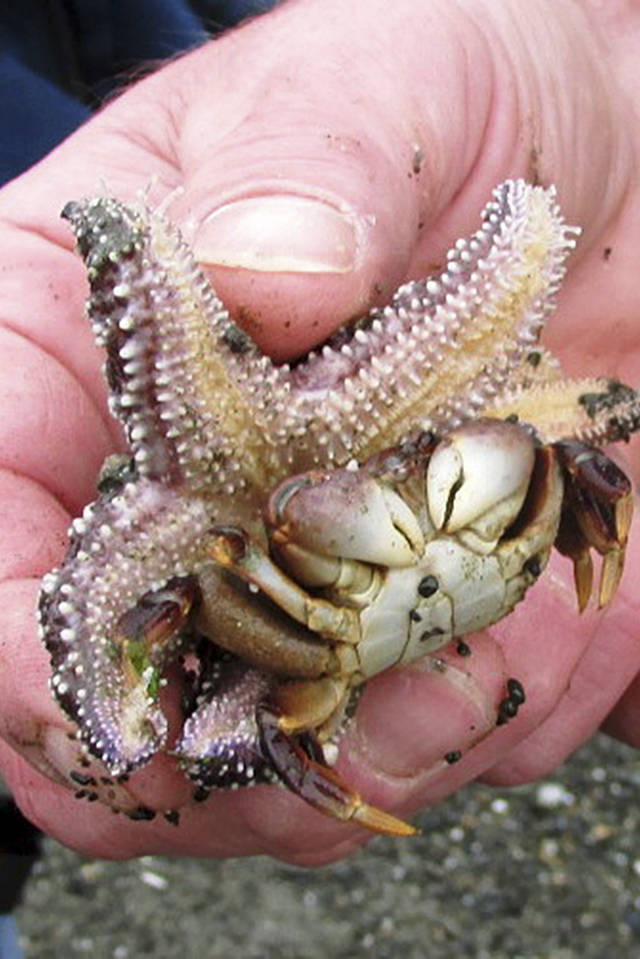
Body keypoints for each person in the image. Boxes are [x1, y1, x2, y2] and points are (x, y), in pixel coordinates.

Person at [0, 0, 639, 873]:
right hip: (284, 577)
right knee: (210, 725)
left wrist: (601, 52)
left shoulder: (457, 419)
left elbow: (566, 417)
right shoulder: (230, 500)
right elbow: (183, 634)